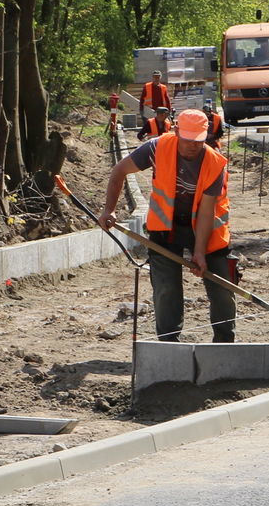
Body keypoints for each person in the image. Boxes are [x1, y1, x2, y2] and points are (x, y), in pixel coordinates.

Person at [99, 110, 236, 343]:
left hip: (207, 229)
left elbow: (206, 212)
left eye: (198, 140)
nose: (193, 146)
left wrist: (200, 252)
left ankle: (224, 344)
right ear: (176, 131)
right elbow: (119, 171)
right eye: (188, 139)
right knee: (166, 289)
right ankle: (169, 344)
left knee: (221, 287)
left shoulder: (215, 163)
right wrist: (109, 209)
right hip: (165, 226)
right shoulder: (157, 147)